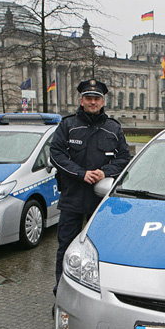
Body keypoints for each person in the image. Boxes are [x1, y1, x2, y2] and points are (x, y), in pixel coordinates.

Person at [49, 79, 131, 294]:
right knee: (66, 248)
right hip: (72, 197)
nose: (93, 102)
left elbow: (124, 158)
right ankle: (63, 292)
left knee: (101, 249)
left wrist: (105, 172)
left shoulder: (113, 128)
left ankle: (99, 293)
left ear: (103, 101)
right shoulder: (68, 125)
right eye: (89, 98)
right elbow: (56, 155)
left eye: (97, 98)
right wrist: (80, 173)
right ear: (81, 101)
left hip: (101, 201)